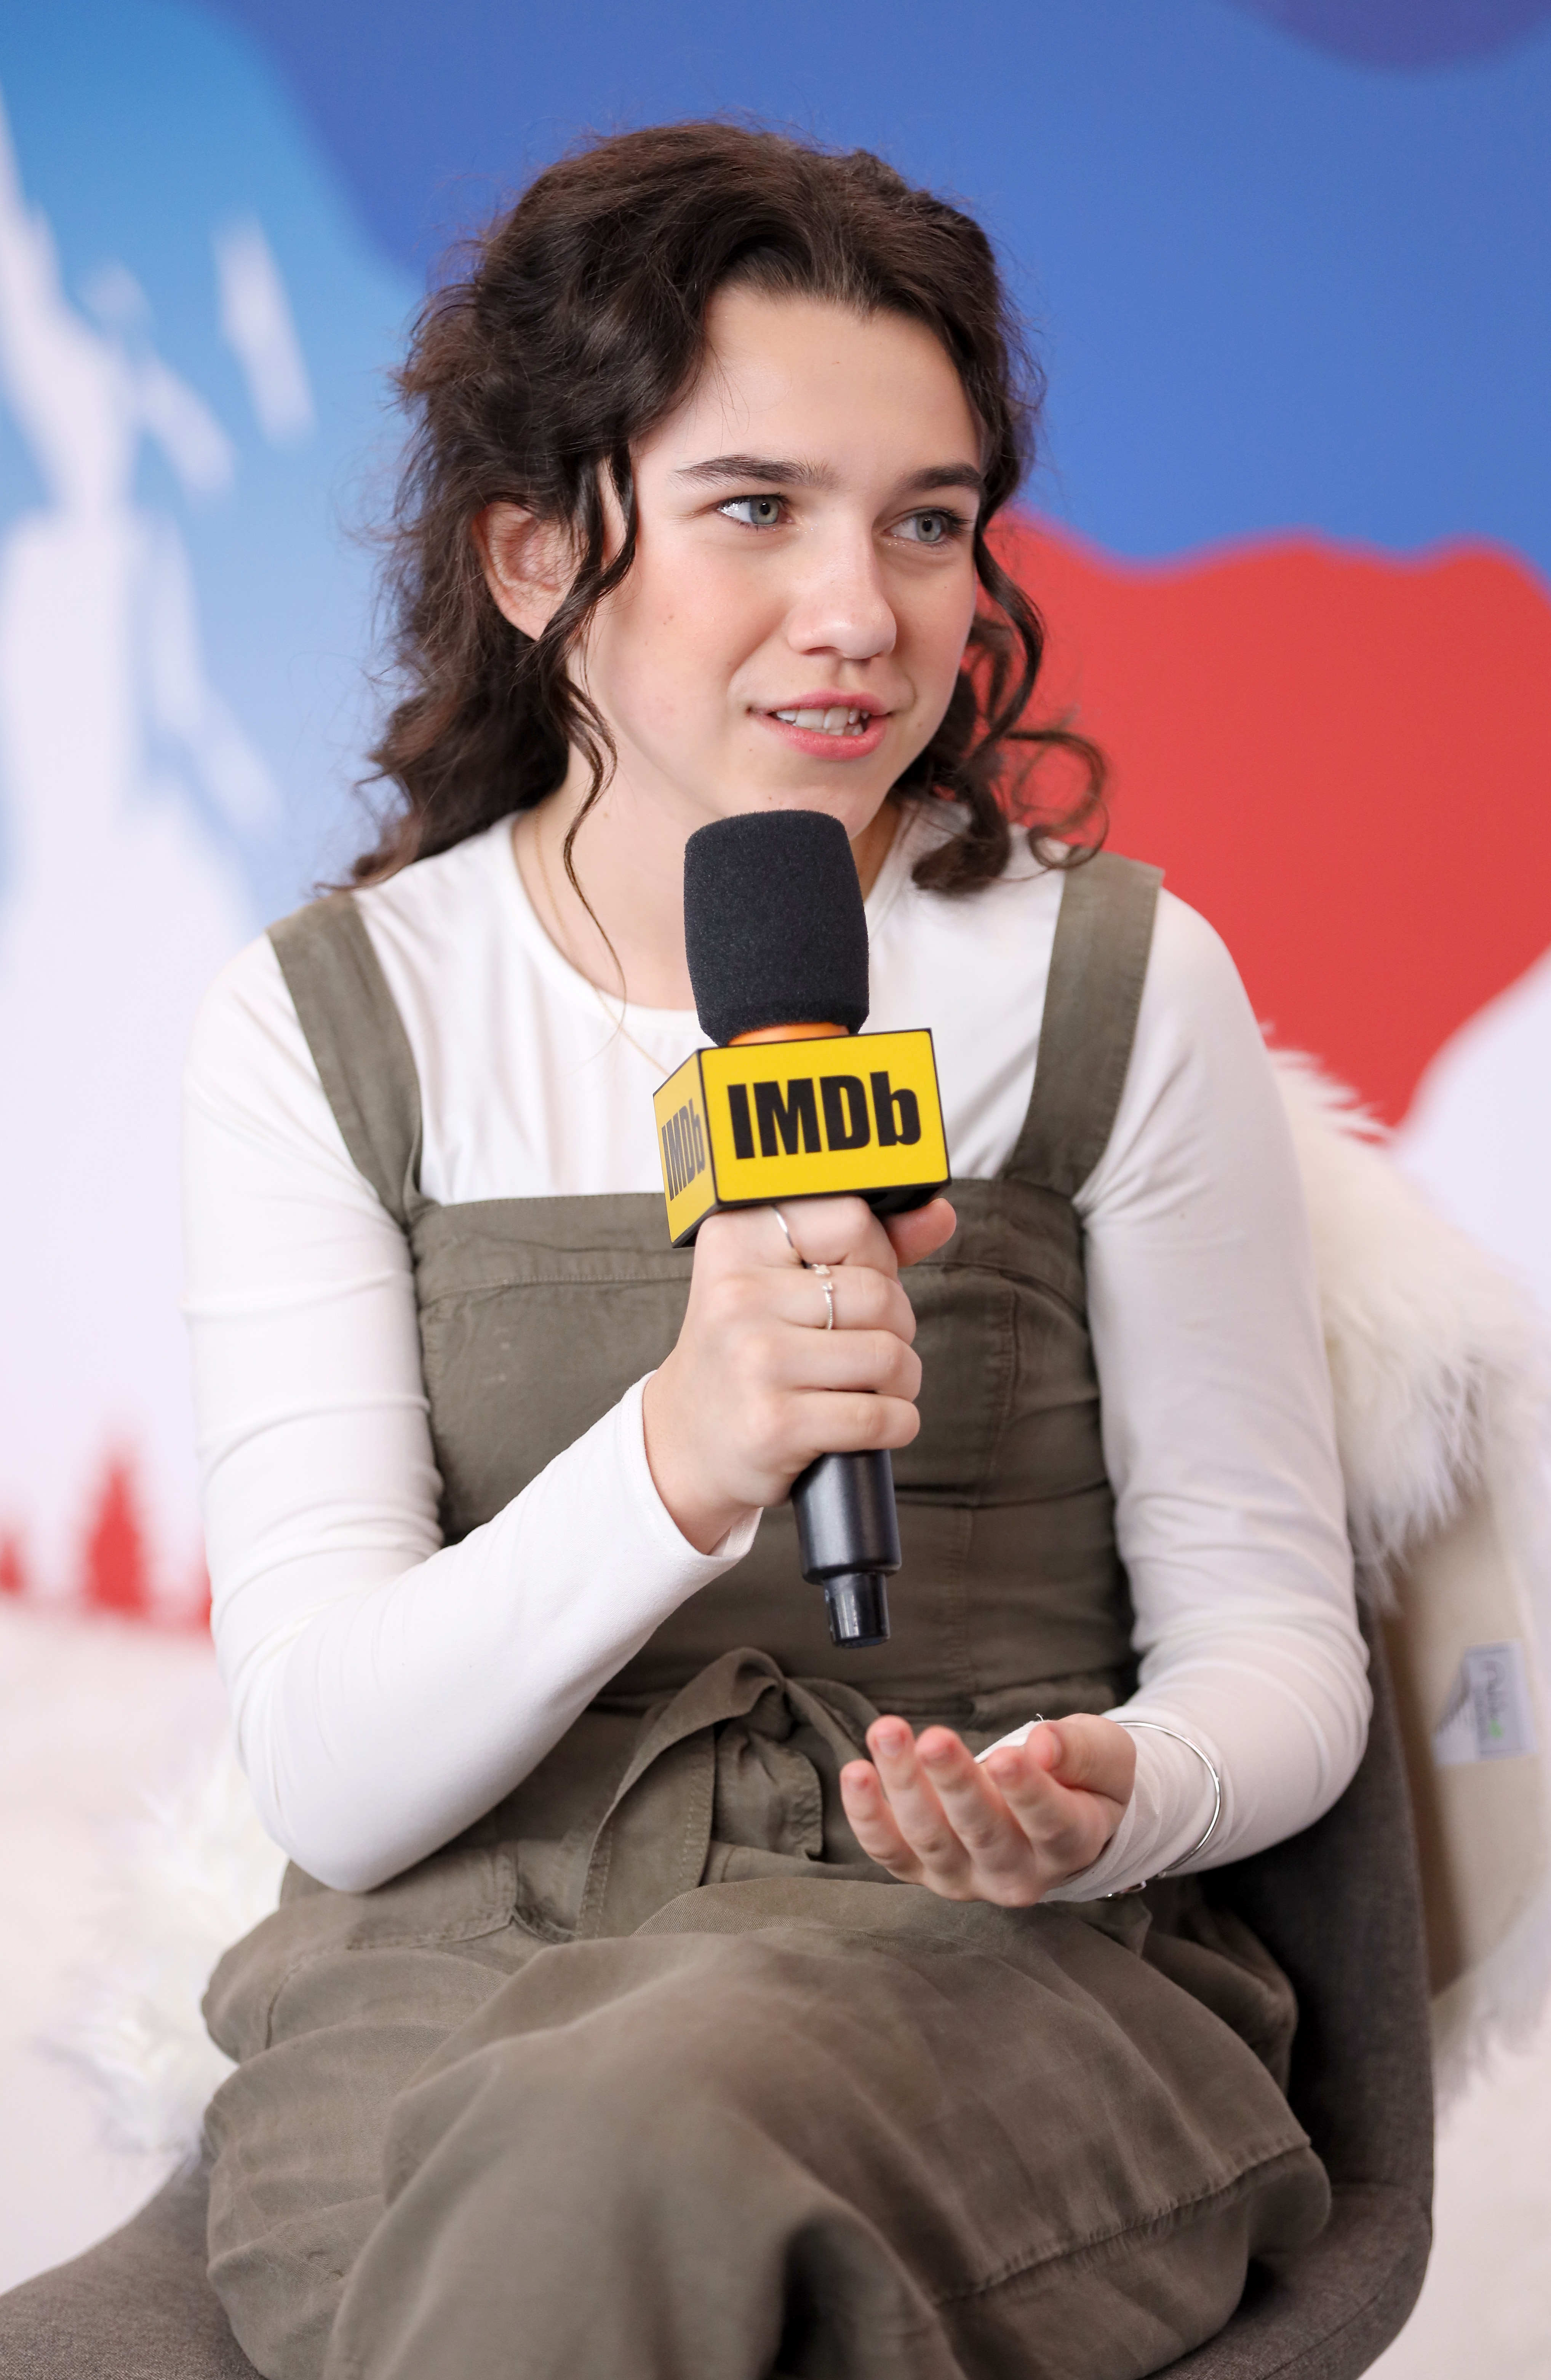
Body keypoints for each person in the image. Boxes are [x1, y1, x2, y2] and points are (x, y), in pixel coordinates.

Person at [183, 123, 1368, 2380]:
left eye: (926, 522)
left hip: (990, 1965)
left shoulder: (1105, 978)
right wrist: (679, 1454)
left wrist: (1128, 1796)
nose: (867, 610)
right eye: (757, 509)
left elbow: (1278, 1667)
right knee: (538, 2195)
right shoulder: (334, 1020)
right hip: (449, 1963)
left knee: (623, 2158)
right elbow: (328, 1776)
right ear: (537, 556)